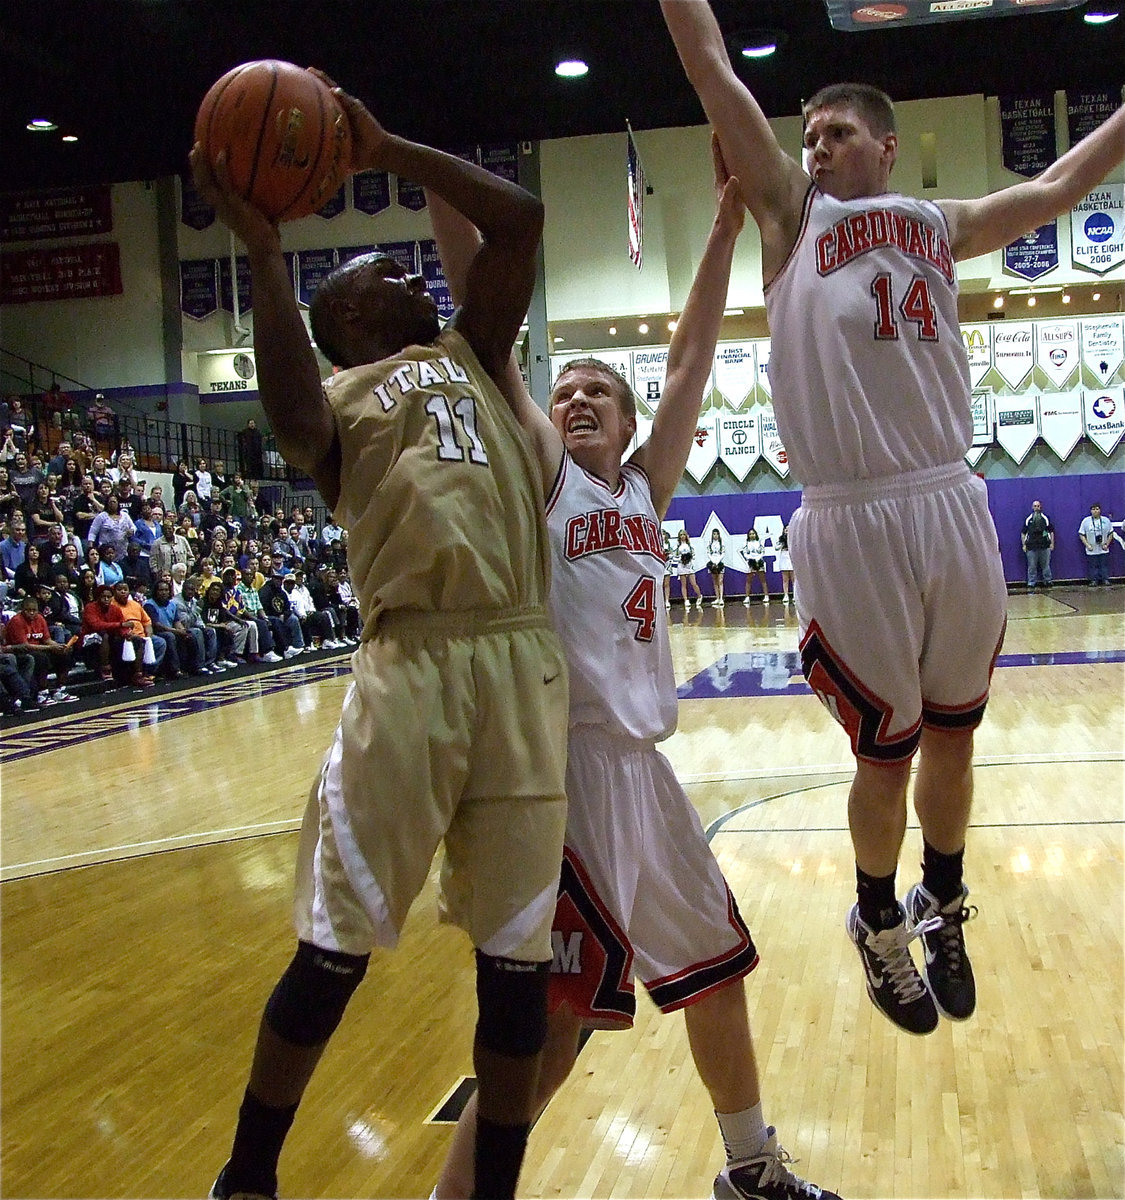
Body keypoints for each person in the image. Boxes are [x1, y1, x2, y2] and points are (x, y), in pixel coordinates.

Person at [660, 0, 1125, 1037]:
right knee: (888, 752)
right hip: (850, 513)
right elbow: (707, 64)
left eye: (836, 133)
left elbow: (1059, 185)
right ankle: (876, 916)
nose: (815, 148)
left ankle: (941, 899)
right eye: (807, 135)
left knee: (956, 740)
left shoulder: (936, 224)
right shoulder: (789, 215)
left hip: (950, 497)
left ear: (885, 145)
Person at [430, 138, 836, 1200]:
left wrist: (720, 226)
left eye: (597, 393)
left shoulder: (645, 495)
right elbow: (491, 335)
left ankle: (751, 1167)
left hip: (644, 782)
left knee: (715, 972)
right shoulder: (549, 482)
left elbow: (696, 355)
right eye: (564, 392)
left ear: (626, 416)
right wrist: (430, 175)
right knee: (554, 1032)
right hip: (563, 781)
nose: (575, 402)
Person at [191, 69, 567, 1200]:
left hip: (518, 658)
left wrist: (385, 145)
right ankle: (247, 1175)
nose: (412, 273)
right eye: (383, 273)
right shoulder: (343, 401)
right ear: (348, 317)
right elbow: (292, 413)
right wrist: (263, 254)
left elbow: (523, 220)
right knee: (331, 952)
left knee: (517, 977)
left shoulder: (469, 352)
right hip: (412, 669)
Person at [3, 594, 76, 705]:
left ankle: (60, 689)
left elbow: (47, 639)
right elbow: (25, 645)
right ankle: (42, 693)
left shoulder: (40, 618)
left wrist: (58, 646)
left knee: (64, 654)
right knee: (41, 657)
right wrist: (50, 647)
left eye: (34, 610)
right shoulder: (17, 621)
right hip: (21, 651)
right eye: (28, 610)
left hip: (39, 647)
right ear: (23, 610)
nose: (32, 613)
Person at [1020, 499, 1055, 590]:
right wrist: (1024, 545)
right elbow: (1023, 533)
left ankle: (1048, 581)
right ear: (1032, 507)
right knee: (1032, 566)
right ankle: (1031, 582)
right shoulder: (1028, 520)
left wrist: (1052, 543)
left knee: (1046, 566)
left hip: (1045, 546)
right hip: (1031, 547)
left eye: (1038, 506)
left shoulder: (1045, 519)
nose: (1036, 508)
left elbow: (1051, 532)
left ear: (1040, 507)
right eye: (1035, 506)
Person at [1078, 502, 1112, 586]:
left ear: (1100, 510)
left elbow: (1110, 533)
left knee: (1103, 565)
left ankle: (1105, 579)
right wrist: (1087, 545)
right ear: (1090, 511)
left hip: (1103, 548)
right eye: (1093, 509)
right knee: (1092, 566)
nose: (1095, 511)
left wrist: (1107, 544)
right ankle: (1093, 580)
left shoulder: (1106, 520)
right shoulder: (1086, 521)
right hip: (1091, 549)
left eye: (1097, 509)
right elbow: (1081, 534)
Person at [673, 527, 704, 608]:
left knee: (693, 583)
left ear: (686, 536)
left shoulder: (689, 546)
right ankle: (686, 600)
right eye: (681, 535)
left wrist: (688, 558)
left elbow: (693, 555)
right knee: (683, 584)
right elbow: (674, 557)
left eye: (684, 534)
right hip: (681, 566)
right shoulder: (677, 546)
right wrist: (681, 559)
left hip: (689, 566)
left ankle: (699, 596)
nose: (682, 536)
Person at [739, 528, 769, 605]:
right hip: (751, 562)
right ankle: (747, 597)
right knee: (749, 580)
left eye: (753, 533)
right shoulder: (746, 544)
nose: (752, 535)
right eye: (750, 534)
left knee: (763, 579)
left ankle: (766, 595)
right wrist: (751, 558)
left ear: (756, 534)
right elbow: (745, 553)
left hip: (759, 562)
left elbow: (762, 552)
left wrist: (758, 559)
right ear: (748, 535)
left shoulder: (759, 543)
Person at [771, 523, 793, 604]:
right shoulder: (781, 539)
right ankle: (786, 595)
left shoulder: (794, 538)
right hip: (784, 557)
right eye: (786, 529)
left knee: (794, 579)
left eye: (789, 529)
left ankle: (795, 596)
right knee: (785, 579)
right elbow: (776, 548)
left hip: (791, 557)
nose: (787, 531)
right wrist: (782, 543)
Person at [705, 528, 726, 607]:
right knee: (715, 581)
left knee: (720, 581)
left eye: (717, 534)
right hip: (712, 563)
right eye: (714, 534)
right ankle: (717, 597)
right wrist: (713, 562)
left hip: (720, 563)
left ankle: (721, 598)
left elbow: (723, 553)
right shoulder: (710, 544)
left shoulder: (721, 544)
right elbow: (708, 553)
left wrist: (717, 562)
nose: (715, 536)